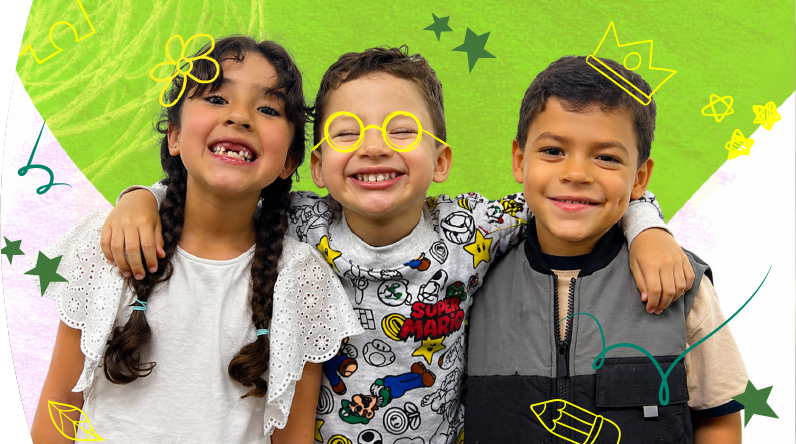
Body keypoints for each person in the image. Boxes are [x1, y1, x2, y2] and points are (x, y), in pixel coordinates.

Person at [101, 46, 695, 443]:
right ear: (314, 165)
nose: (375, 147)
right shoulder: (295, 222)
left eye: (402, 132)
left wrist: (647, 225)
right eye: (349, 133)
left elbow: (569, 194)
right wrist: (143, 196)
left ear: (441, 161)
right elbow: (215, 188)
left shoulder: (475, 227)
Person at [29, 36, 363, 444]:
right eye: (218, 99)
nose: (240, 117)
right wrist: (139, 198)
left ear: (289, 161)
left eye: (268, 108)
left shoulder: (302, 280)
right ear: (174, 135)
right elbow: (58, 409)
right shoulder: (107, 247)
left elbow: (293, 437)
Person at [463, 55, 747, 444]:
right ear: (519, 160)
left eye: (607, 157)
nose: (577, 173)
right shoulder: (469, 280)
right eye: (552, 151)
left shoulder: (683, 285)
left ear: (640, 178)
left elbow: (719, 418)